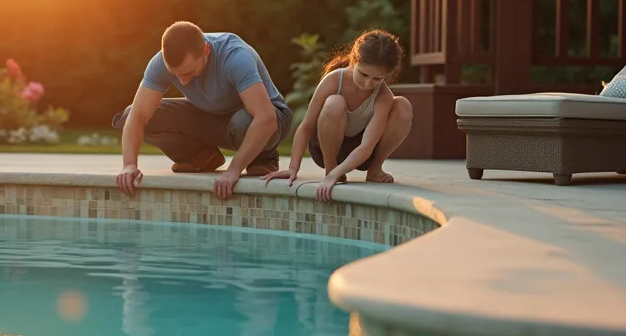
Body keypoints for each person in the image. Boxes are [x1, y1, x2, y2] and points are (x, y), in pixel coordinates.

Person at [113, 21, 292, 200]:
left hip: (269, 119)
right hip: (214, 115)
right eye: (176, 75)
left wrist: (234, 169)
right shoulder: (159, 62)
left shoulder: (235, 57)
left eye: (189, 72)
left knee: (244, 121)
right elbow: (138, 115)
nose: (182, 82)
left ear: (206, 50)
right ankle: (201, 157)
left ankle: (264, 158)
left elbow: (265, 118)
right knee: (131, 114)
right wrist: (129, 165)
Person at [262, 29, 413, 203]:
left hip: (363, 155)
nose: (367, 83)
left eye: (377, 79)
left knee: (403, 105)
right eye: (363, 74)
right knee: (335, 102)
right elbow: (306, 127)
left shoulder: (382, 95)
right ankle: (331, 169)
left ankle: (375, 170)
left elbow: (366, 146)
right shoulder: (334, 80)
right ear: (353, 60)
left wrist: (341, 172)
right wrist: (293, 168)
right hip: (326, 149)